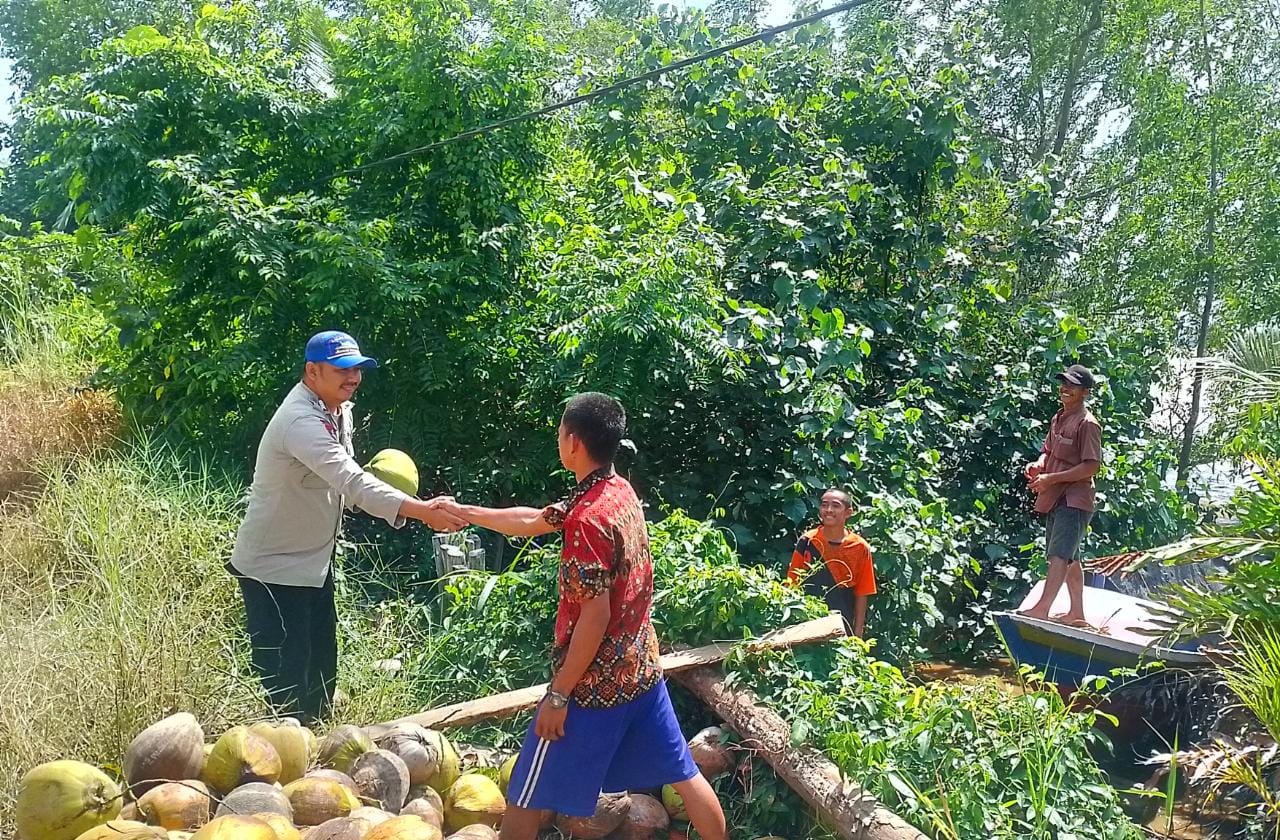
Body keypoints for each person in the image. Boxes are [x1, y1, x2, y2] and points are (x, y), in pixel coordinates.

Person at [442, 393, 727, 840]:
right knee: (685, 774)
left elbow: (595, 617)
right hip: (642, 671)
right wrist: (466, 514)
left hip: (594, 687)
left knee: (525, 792)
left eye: (559, 432)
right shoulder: (615, 492)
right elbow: (535, 519)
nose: (558, 439)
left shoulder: (588, 522)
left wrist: (558, 695)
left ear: (573, 441)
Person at [227, 330, 464, 724]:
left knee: (321, 671)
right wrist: (422, 511)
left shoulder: (339, 410)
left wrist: (391, 499)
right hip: (273, 568)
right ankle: (284, 768)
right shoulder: (300, 420)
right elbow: (351, 480)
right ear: (312, 371)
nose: (352, 377)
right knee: (286, 682)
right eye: (341, 369)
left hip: (314, 563)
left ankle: (317, 756)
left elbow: (345, 484)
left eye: (357, 369)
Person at [1018, 364, 1103, 627]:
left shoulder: (1088, 424)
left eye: (1072, 386)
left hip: (1074, 501)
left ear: (1085, 392)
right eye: (1064, 384)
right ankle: (1076, 613)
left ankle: (1042, 608)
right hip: (1055, 497)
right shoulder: (1058, 418)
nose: (1065, 389)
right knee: (1071, 557)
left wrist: (1051, 478)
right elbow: (1047, 452)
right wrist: (1038, 465)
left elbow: (1092, 466)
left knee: (1058, 555)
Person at [785, 488, 877, 638]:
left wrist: (858, 633)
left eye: (835, 505)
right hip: (807, 621)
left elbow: (862, 592)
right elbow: (792, 583)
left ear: (848, 512)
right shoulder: (808, 541)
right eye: (824, 505)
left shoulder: (860, 547)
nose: (828, 510)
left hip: (842, 623)